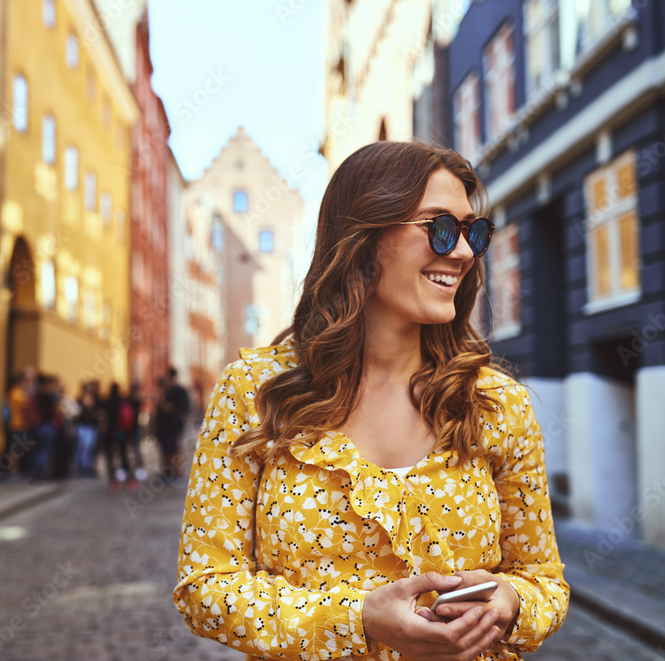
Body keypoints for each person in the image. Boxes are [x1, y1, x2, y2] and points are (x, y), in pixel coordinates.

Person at [173, 141, 569, 661]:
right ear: (363, 239)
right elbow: (204, 587)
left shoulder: (494, 404)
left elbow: (545, 582)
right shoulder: (258, 391)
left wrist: (511, 601)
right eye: (439, 228)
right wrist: (355, 621)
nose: (464, 252)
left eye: (474, 232)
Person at [156, 367, 190, 480]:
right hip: (164, 426)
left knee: (173, 450)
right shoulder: (168, 390)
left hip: (173, 425)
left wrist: (166, 405)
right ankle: (168, 472)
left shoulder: (177, 391)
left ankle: (176, 473)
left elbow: (173, 409)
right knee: (166, 450)